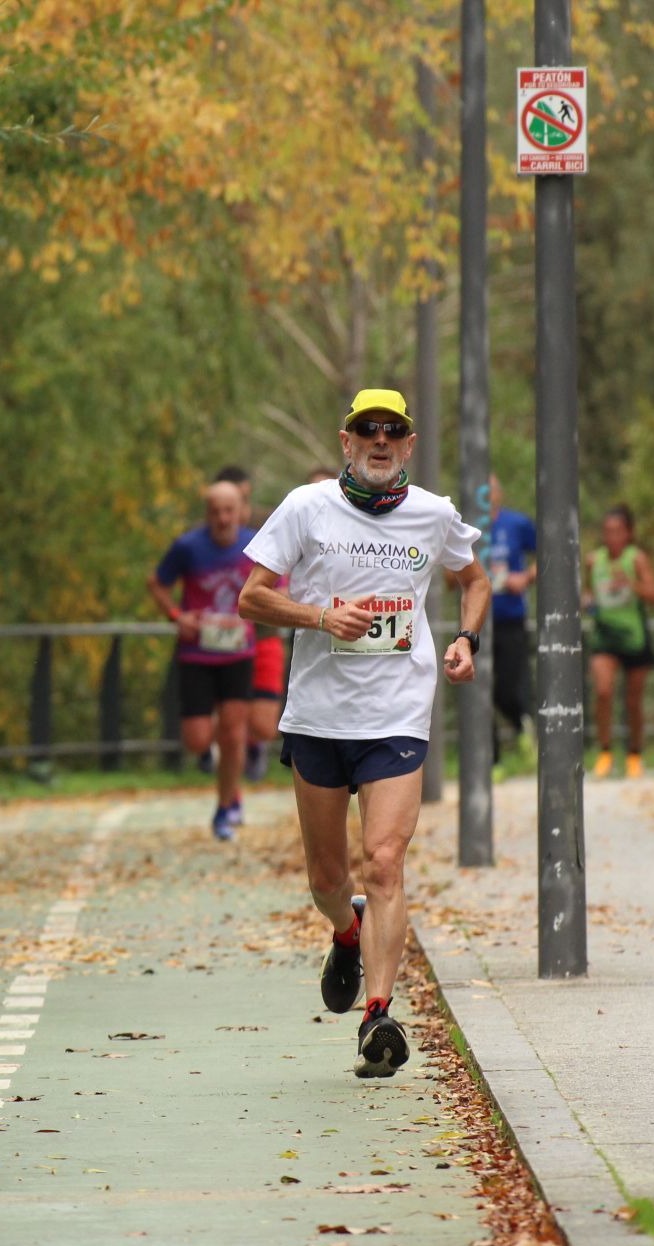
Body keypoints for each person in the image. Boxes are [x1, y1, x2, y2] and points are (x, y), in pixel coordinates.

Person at [239, 387, 489, 1079]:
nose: (380, 441)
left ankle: (379, 1015)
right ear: (346, 442)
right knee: (327, 877)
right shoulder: (306, 507)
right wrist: (322, 617)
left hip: (397, 714)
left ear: (408, 445)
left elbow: (475, 580)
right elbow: (251, 596)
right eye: (366, 431)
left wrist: (467, 639)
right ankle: (344, 930)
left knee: (383, 861)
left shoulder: (433, 514)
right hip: (319, 717)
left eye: (394, 431)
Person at [148, 480, 257, 840]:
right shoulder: (188, 547)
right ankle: (210, 753)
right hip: (197, 652)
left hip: (239, 652)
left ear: (240, 509)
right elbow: (157, 583)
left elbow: (279, 584)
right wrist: (178, 616)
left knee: (234, 731)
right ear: (206, 514)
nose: (223, 518)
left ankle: (226, 808)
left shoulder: (256, 543)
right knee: (196, 739)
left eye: (229, 510)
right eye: (215, 511)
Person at [213, 464, 284, 782]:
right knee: (228, 717)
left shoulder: (270, 523)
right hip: (221, 640)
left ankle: (254, 744)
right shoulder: (205, 536)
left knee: (264, 724)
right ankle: (225, 752)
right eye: (223, 506)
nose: (230, 513)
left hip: (262, 633)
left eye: (238, 501)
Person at [587, 504, 654, 779]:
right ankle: (605, 751)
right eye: (607, 531)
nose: (612, 536)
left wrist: (630, 583)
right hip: (605, 635)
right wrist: (587, 601)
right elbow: (588, 591)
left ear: (629, 533)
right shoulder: (594, 560)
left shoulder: (637, 558)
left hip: (634, 636)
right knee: (603, 691)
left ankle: (634, 753)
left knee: (633, 700)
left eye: (618, 531)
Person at [485, 474, 539, 746]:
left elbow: (549, 553)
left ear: (500, 494)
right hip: (478, 621)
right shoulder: (468, 526)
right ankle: (491, 759)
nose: (486, 495)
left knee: (505, 689)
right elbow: (449, 575)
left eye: (491, 489)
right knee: (478, 693)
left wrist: (525, 578)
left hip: (510, 619)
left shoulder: (517, 523)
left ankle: (521, 725)